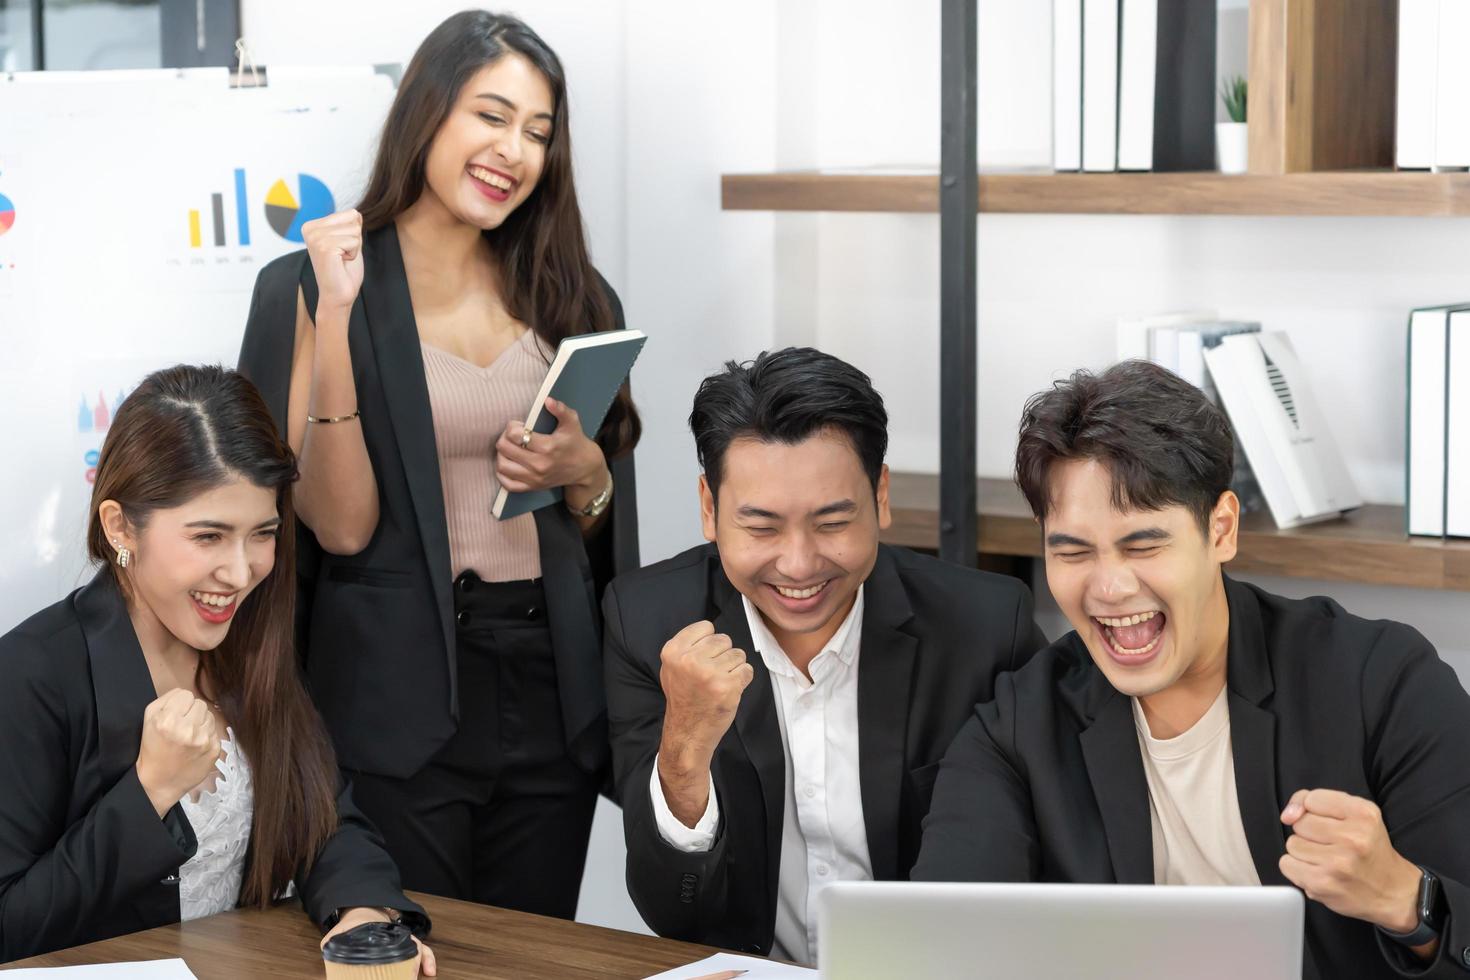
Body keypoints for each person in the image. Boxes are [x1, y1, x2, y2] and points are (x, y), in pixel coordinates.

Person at [237, 11, 639, 918]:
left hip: (549, 688)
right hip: (393, 696)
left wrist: (583, 474)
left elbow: (609, 527)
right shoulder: (304, 286)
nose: (514, 151)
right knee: (408, 949)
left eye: (538, 132)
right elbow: (335, 528)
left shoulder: (573, 290)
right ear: (428, 112)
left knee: (535, 958)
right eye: (490, 116)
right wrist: (337, 318)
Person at [913, 360, 1470, 978]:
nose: (1110, 587)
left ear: (1221, 529)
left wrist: (1404, 898)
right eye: (1071, 551)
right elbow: (943, 944)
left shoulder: (1381, 682)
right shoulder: (1019, 729)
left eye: (1143, 546)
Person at [604, 348, 1046, 964]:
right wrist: (683, 749)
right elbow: (674, 913)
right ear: (709, 508)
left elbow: (1024, 875)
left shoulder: (987, 628)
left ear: (880, 495)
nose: (800, 564)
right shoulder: (647, 621)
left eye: (833, 522)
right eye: (761, 528)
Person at [0, 366, 433, 969]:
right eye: (208, 536)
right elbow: (10, 925)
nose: (240, 573)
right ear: (120, 525)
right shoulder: (32, 673)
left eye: (262, 534)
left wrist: (358, 913)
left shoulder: (249, 641)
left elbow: (325, 818)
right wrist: (151, 790)